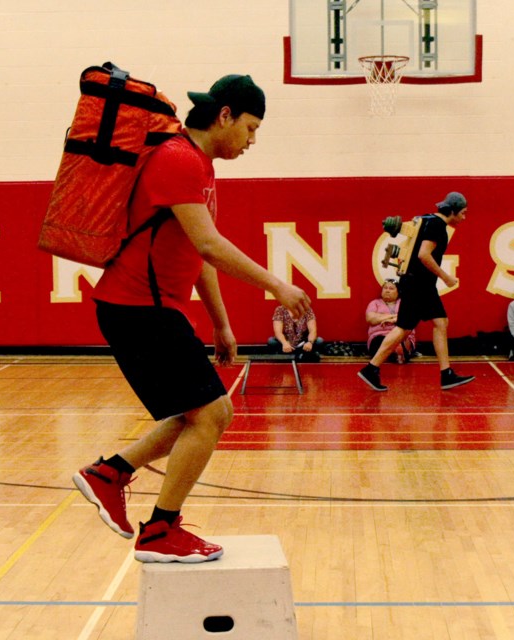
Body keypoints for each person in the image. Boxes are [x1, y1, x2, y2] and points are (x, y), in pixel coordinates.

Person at [72, 74, 311, 563]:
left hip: (151, 308)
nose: (252, 140)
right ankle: (159, 531)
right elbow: (209, 245)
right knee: (214, 413)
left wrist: (221, 324)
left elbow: (196, 254)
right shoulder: (179, 160)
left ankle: (110, 473)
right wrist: (276, 285)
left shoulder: (197, 165)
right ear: (224, 115)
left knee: (195, 414)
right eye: (250, 127)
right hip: (137, 307)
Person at [358, 192, 475, 391]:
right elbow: (423, 255)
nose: (464, 218)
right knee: (404, 328)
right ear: (453, 211)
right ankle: (371, 368)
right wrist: (446, 277)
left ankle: (445, 373)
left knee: (439, 322)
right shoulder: (438, 226)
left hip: (418, 283)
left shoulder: (425, 219)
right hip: (419, 284)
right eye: (463, 213)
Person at [365, 279, 418, 362]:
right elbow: (371, 319)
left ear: (398, 292)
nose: (387, 290)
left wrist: (388, 318)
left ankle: (398, 351)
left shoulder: (404, 303)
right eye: (385, 288)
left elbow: (410, 317)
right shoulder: (375, 303)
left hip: (402, 335)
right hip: (380, 335)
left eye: (391, 288)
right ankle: (398, 352)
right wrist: (394, 317)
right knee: (381, 342)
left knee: (401, 339)